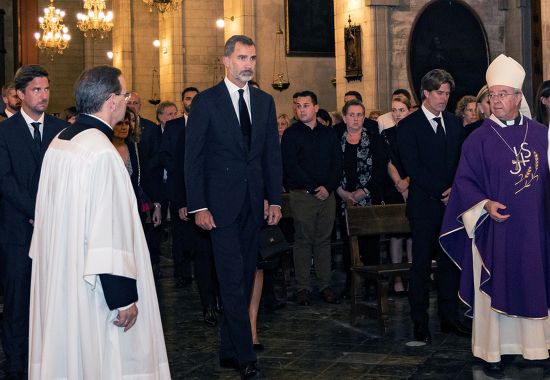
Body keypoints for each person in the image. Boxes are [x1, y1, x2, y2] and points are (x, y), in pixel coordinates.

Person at [28, 65, 170, 379]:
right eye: (124, 94)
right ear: (110, 101)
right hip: (97, 290)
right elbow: (108, 231)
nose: (127, 100)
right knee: (107, 361)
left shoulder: (60, 141)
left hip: (65, 274)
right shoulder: (103, 153)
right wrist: (123, 298)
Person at [440, 54, 550, 375]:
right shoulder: (477, 140)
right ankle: (494, 351)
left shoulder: (543, 134)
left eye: (503, 94)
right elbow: (463, 184)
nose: (496, 100)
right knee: (498, 283)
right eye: (492, 94)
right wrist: (485, 205)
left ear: (518, 98)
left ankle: (535, 347)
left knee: (534, 280)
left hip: (535, 231)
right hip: (495, 232)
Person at [185, 35, 282, 379]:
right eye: (241, 57)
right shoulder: (207, 102)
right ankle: (245, 355)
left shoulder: (265, 101)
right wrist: (198, 206)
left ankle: (228, 349)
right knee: (230, 280)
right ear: (226, 61)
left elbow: (271, 154)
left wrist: (276, 199)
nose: (248, 64)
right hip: (219, 207)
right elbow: (193, 159)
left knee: (242, 277)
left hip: (254, 205)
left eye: (252, 58)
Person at [0, 65, 68, 378]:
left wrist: (54, 214)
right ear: (20, 95)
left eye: (46, 89)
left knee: (53, 303)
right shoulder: (5, 131)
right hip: (17, 233)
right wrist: (36, 212)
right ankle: (17, 368)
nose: (43, 95)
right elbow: (5, 180)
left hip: (56, 231)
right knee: (17, 305)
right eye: (36, 90)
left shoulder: (60, 129)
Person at [396, 68, 468, 344]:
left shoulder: (453, 122)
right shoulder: (409, 126)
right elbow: (413, 167)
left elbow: (461, 162)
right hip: (424, 206)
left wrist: (455, 190)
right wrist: (442, 190)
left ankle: (449, 318)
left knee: (450, 264)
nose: (444, 98)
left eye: (448, 93)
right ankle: (420, 322)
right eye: (440, 93)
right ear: (425, 93)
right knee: (422, 266)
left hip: (452, 206)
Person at [282, 90, 342, 306]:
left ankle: (325, 285)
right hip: (303, 195)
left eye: (305, 105)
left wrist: (328, 187)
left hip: (327, 195)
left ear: (316, 108)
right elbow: (290, 165)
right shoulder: (291, 134)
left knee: (324, 241)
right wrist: (313, 187)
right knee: (303, 241)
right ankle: (303, 288)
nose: (301, 109)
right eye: (297, 106)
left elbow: (337, 162)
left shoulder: (329, 133)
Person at [335, 99, 379, 298]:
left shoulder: (374, 139)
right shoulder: (335, 140)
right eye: (351, 115)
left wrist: (365, 191)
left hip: (368, 197)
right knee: (347, 243)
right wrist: (341, 192)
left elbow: (380, 170)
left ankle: (371, 285)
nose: (355, 119)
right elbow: (330, 168)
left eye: (359, 115)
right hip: (344, 197)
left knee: (370, 243)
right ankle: (350, 284)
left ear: (364, 117)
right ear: (344, 118)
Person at [379, 95, 413, 293]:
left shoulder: (415, 131)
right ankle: (397, 278)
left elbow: (417, 161)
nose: (397, 113)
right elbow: (388, 161)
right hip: (394, 186)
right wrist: (399, 183)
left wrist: (408, 182)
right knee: (396, 234)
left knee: (412, 234)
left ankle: (412, 274)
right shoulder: (387, 134)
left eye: (401, 109)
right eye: (394, 110)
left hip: (414, 184)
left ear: (408, 111)